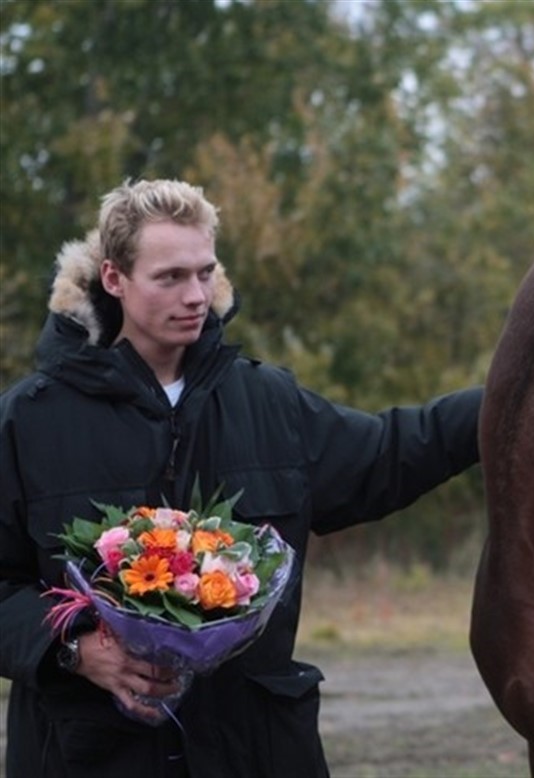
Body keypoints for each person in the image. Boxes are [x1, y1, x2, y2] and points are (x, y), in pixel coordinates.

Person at [0, 179, 483, 777]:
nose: (195, 296)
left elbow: (390, 453)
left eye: (205, 272)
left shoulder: (268, 401)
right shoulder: (30, 421)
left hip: (256, 752)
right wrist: (74, 648)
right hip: (89, 755)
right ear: (114, 278)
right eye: (170, 277)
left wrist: (516, 391)